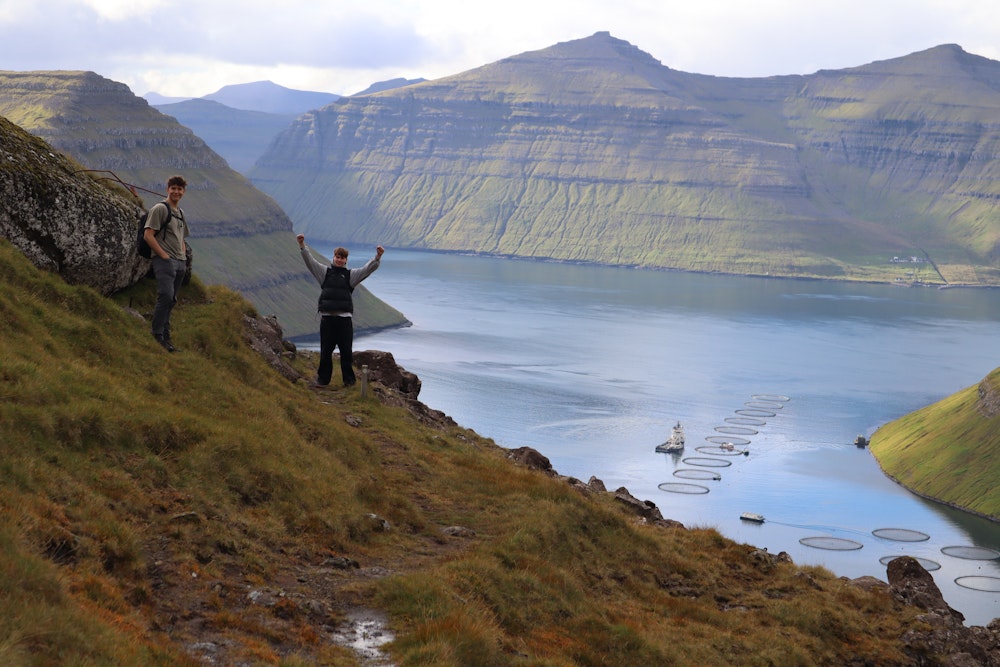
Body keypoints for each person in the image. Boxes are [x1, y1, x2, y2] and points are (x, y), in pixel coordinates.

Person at [297, 234, 384, 387]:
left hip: (344, 321)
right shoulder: (324, 273)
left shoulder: (350, 276)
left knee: (346, 353)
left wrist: (377, 257)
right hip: (327, 320)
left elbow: (366, 270)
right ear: (334, 257)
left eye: (342, 258)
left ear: (346, 260)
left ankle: (349, 382)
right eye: (337, 257)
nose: (339, 260)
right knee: (325, 353)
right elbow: (310, 262)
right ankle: (323, 380)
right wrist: (302, 246)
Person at [143, 175, 189, 352]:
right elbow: (148, 235)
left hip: (180, 262)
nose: (176, 192)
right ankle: (157, 335)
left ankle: (166, 334)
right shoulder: (160, 209)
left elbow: (181, 238)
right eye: (173, 188)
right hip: (165, 261)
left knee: (172, 300)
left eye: (179, 189)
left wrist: (182, 257)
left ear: (183, 192)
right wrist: (164, 256)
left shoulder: (181, 213)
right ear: (167, 189)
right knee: (166, 296)